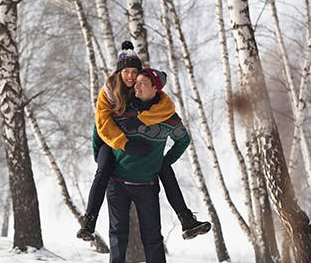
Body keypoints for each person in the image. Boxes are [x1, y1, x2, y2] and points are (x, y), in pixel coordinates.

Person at [77, 41, 211, 241]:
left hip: (130, 148)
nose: (131, 77)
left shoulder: (140, 88)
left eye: (134, 72)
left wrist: (141, 121)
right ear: (119, 73)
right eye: (126, 72)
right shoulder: (109, 90)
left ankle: (186, 220)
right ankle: (89, 221)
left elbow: (163, 106)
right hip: (108, 140)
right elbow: (102, 123)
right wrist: (125, 143)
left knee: (164, 167)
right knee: (104, 167)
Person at [104, 68, 193, 263]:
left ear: (155, 88)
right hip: (117, 182)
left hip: (147, 186)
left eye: (142, 83)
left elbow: (183, 141)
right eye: (136, 82)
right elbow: (101, 126)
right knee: (117, 235)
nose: (136, 86)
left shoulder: (168, 116)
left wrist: (162, 163)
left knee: (152, 238)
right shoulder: (122, 107)